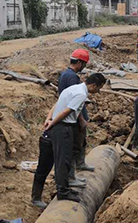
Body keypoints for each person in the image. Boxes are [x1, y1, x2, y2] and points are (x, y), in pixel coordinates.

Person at [31, 73, 106, 208]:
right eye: (98, 88)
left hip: (53, 129)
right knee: (63, 161)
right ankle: (63, 192)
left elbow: (56, 105)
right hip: (63, 128)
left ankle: (36, 197)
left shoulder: (71, 89)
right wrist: (53, 122)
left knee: (44, 164)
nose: (97, 92)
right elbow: (66, 111)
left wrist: (49, 119)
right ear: (93, 85)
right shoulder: (81, 94)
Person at [58, 49, 94, 190]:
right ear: (79, 62)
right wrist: (81, 119)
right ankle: (72, 176)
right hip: (74, 118)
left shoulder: (65, 74)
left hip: (72, 117)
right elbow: (73, 104)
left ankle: (80, 164)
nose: (84, 66)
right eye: (84, 63)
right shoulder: (72, 77)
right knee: (74, 146)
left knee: (79, 143)